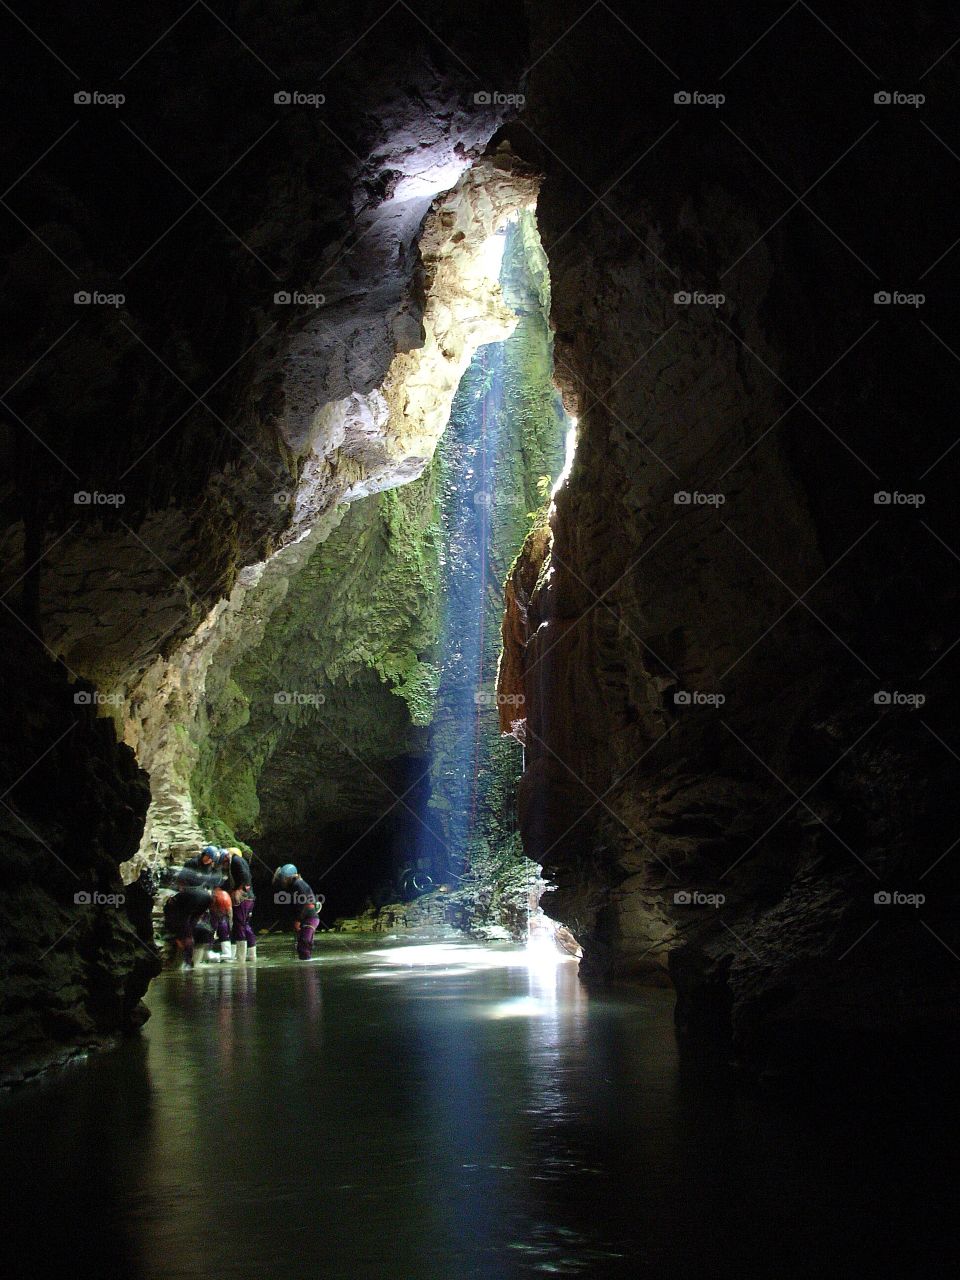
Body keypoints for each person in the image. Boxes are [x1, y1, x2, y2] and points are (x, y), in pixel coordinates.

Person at [272, 864, 324, 960]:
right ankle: (306, 968)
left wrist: (298, 920)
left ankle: (307, 970)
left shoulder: (298, 884)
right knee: (302, 945)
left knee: (304, 944)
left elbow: (304, 902)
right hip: (307, 917)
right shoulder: (295, 885)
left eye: (283, 879)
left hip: (310, 918)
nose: (282, 882)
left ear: (288, 877)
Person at [223, 846, 257, 962]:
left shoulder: (236, 861)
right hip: (249, 897)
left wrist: (239, 890)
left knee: (239, 925)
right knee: (245, 924)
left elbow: (245, 877)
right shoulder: (240, 862)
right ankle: (251, 955)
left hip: (244, 898)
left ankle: (241, 958)